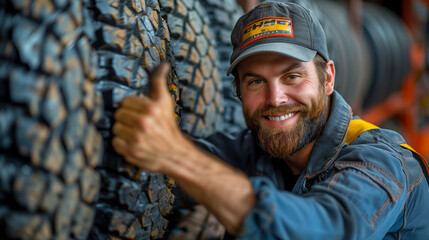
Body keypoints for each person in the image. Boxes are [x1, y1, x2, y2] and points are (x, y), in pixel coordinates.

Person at [112, 1, 429, 239]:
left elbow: (323, 229)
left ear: (328, 78)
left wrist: (176, 156)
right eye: (255, 81)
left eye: (292, 75)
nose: (275, 99)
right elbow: (163, 172)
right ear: (238, 91)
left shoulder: (384, 161)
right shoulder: (254, 151)